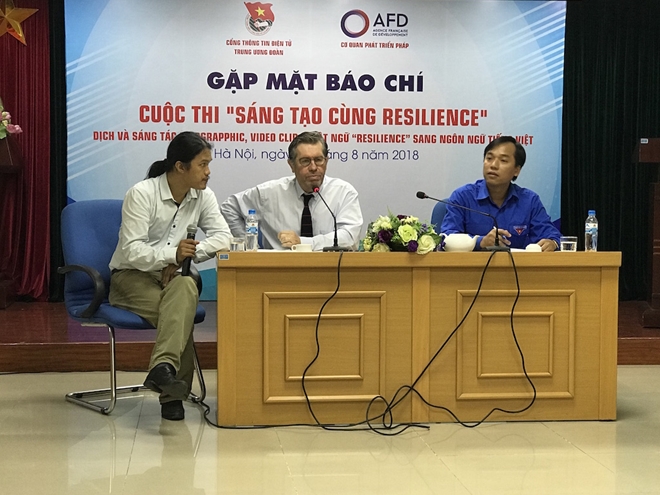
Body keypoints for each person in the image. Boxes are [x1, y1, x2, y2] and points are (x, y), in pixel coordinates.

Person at [109, 131, 232, 421]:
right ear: (180, 167)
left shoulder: (203, 196)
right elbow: (131, 251)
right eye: (202, 164)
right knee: (180, 315)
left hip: (174, 278)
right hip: (131, 277)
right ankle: (173, 397)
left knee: (185, 289)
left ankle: (162, 371)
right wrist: (171, 255)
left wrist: (186, 257)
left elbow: (223, 237)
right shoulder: (142, 193)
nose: (208, 172)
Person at [221, 131, 363, 250]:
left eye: (319, 160)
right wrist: (250, 246)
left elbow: (350, 237)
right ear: (291, 165)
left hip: (331, 271)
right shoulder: (269, 193)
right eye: (305, 161)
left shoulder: (343, 192)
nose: (313, 167)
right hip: (279, 270)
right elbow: (229, 208)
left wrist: (302, 243)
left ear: (326, 161)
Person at [441, 135, 560, 251]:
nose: (493, 165)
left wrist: (552, 243)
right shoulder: (463, 197)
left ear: (516, 170)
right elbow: (446, 239)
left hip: (516, 264)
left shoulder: (529, 201)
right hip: (471, 265)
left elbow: (553, 235)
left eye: (503, 160)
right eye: (489, 158)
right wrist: (480, 242)